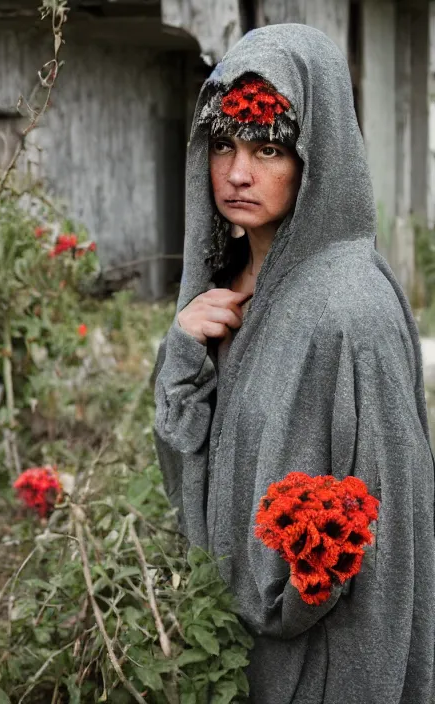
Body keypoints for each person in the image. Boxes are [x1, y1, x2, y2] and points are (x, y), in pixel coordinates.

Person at [153, 23, 435, 704]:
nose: (238, 172)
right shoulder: (229, 293)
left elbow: (391, 536)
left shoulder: (348, 309)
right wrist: (184, 351)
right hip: (238, 656)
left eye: (268, 148)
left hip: (325, 666)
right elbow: (198, 470)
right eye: (223, 145)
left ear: (318, 156)